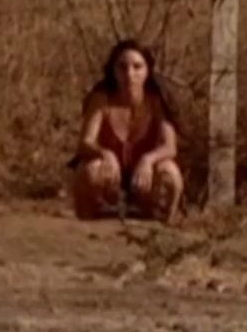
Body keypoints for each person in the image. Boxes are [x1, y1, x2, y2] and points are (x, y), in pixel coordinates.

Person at [67, 39, 184, 224]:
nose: (129, 74)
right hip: (111, 177)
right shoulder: (101, 99)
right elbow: (85, 142)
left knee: (171, 173)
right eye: (122, 67)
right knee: (88, 170)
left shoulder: (157, 101)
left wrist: (148, 159)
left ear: (147, 70)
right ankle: (90, 221)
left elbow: (170, 147)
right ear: (113, 70)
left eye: (137, 67)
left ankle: (163, 221)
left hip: (144, 178)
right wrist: (105, 153)